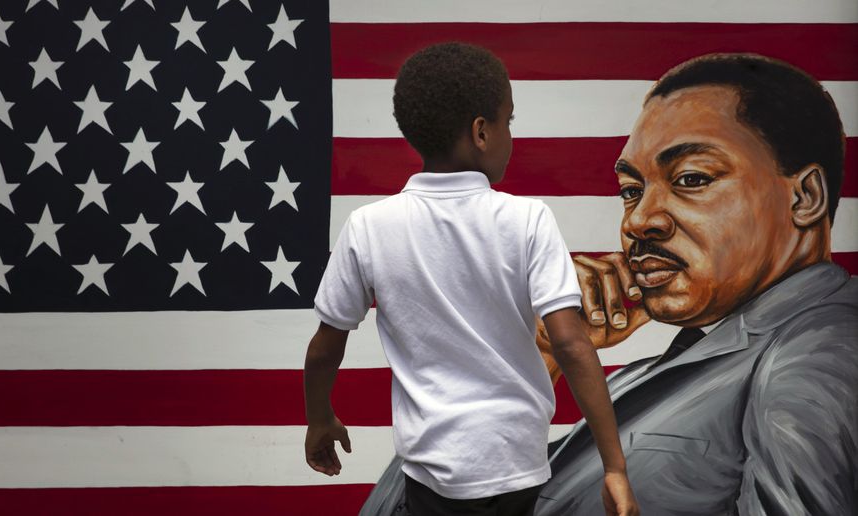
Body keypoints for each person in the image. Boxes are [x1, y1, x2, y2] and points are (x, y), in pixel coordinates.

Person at [304, 42, 639, 515]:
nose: (510, 136)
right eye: (509, 121)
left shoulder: (369, 226)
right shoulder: (527, 219)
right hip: (517, 463)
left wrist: (319, 418)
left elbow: (325, 345)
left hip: (432, 472)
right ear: (482, 132)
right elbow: (571, 344)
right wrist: (614, 468)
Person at [535, 53, 857, 515]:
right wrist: (538, 353)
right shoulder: (649, 376)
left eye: (691, 178)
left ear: (805, 198)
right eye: (631, 190)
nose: (639, 219)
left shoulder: (821, 349)